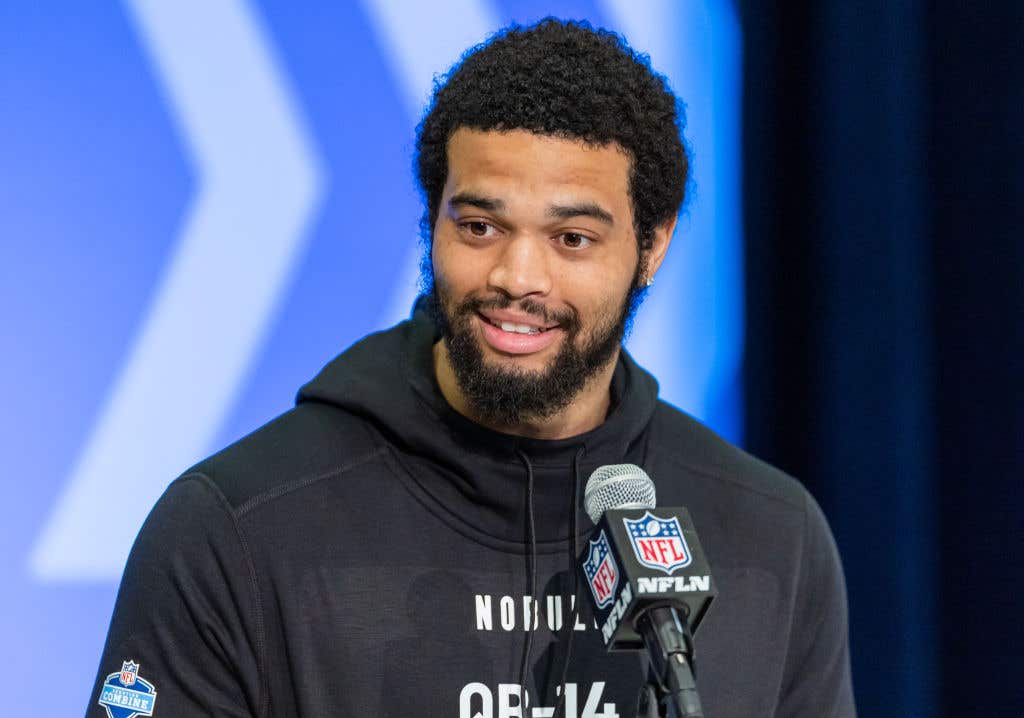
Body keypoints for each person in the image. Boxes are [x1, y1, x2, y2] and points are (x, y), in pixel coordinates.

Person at [89, 19, 855, 718]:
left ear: (652, 246)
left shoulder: (770, 535)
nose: (519, 276)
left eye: (572, 239)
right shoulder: (238, 527)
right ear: (432, 223)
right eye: (481, 227)